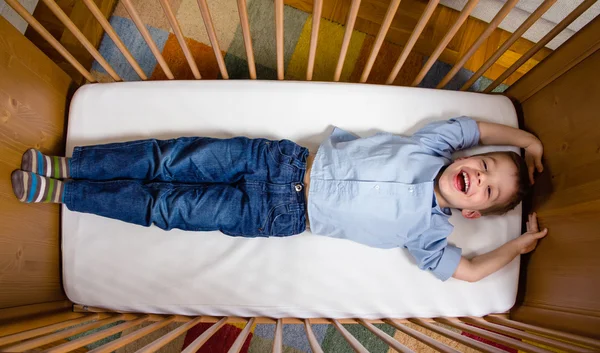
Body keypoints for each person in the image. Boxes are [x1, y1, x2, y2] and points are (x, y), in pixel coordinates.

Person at [11, 117, 547, 282]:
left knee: (167, 207)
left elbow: (472, 271)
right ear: (467, 154)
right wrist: (524, 142)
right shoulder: (434, 146)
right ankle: (71, 166)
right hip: (277, 162)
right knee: (171, 159)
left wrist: (518, 245)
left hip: (279, 214)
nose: (477, 175)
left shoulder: (429, 231)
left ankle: (68, 195)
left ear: (472, 211)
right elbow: (475, 126)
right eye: (483, 163)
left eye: (489, 187)